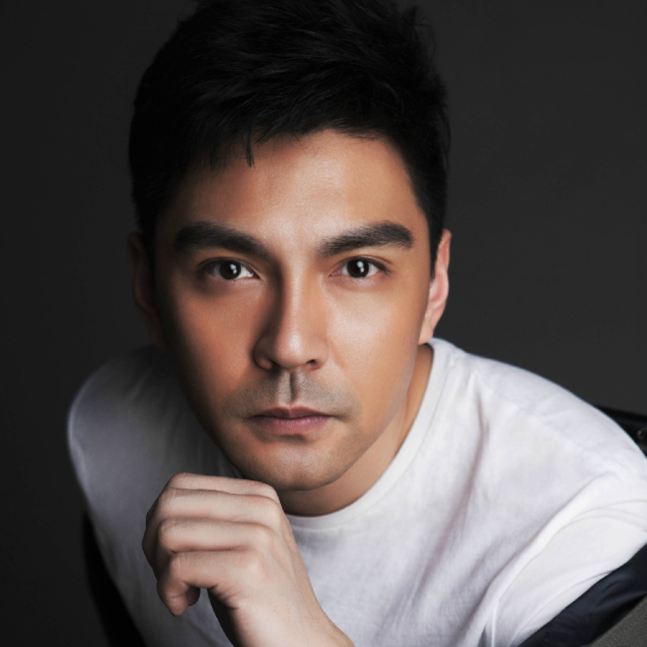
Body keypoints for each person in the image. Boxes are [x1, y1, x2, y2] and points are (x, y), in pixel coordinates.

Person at [67, 1, 647, 646]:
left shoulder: (577, 531)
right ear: (148, 288)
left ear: (434, 283)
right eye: (231, 270)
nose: (291, 346)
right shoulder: (118, 433)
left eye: (359, 267)